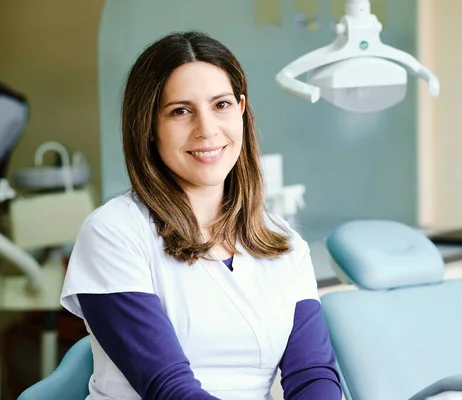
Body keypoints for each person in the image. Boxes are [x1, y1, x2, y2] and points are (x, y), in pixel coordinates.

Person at [60, 31, 342, 400]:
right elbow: (169, 388)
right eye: (181, 111)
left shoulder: (284, 243)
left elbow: (313, 375)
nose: (207, 129)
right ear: (148, 127)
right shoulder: (114, 233)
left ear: (241, 110)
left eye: (221, 105)